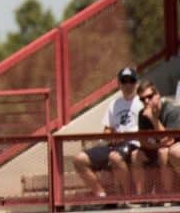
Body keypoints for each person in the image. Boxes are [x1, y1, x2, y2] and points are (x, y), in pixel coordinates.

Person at [72, 67, 143, 200]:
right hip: (114, 144)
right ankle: (101, 195)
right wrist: (111, 135)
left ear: (137, 83)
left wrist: (125, 135)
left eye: (131, 81)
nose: (128, 85)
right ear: (119, 84)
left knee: (115, 157)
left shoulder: (142, 102)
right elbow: (107, 129)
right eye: (124, 81)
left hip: (134, 143)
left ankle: (128, 198)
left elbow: (146, 129)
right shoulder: (114, 104)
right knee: (79, 159)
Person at [131, 80, 180, 195]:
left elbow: (169, 140)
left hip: (174, 146)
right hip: (158, 146)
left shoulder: (171, 110)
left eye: (149, 97)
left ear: (157, 94)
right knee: (135, 155)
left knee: (163, 152)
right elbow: (142, 141)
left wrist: (153, 119)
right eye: (142, 99)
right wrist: (158, 145)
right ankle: (141, 197)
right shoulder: (142, 114)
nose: (146, 101)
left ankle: (167, 195)